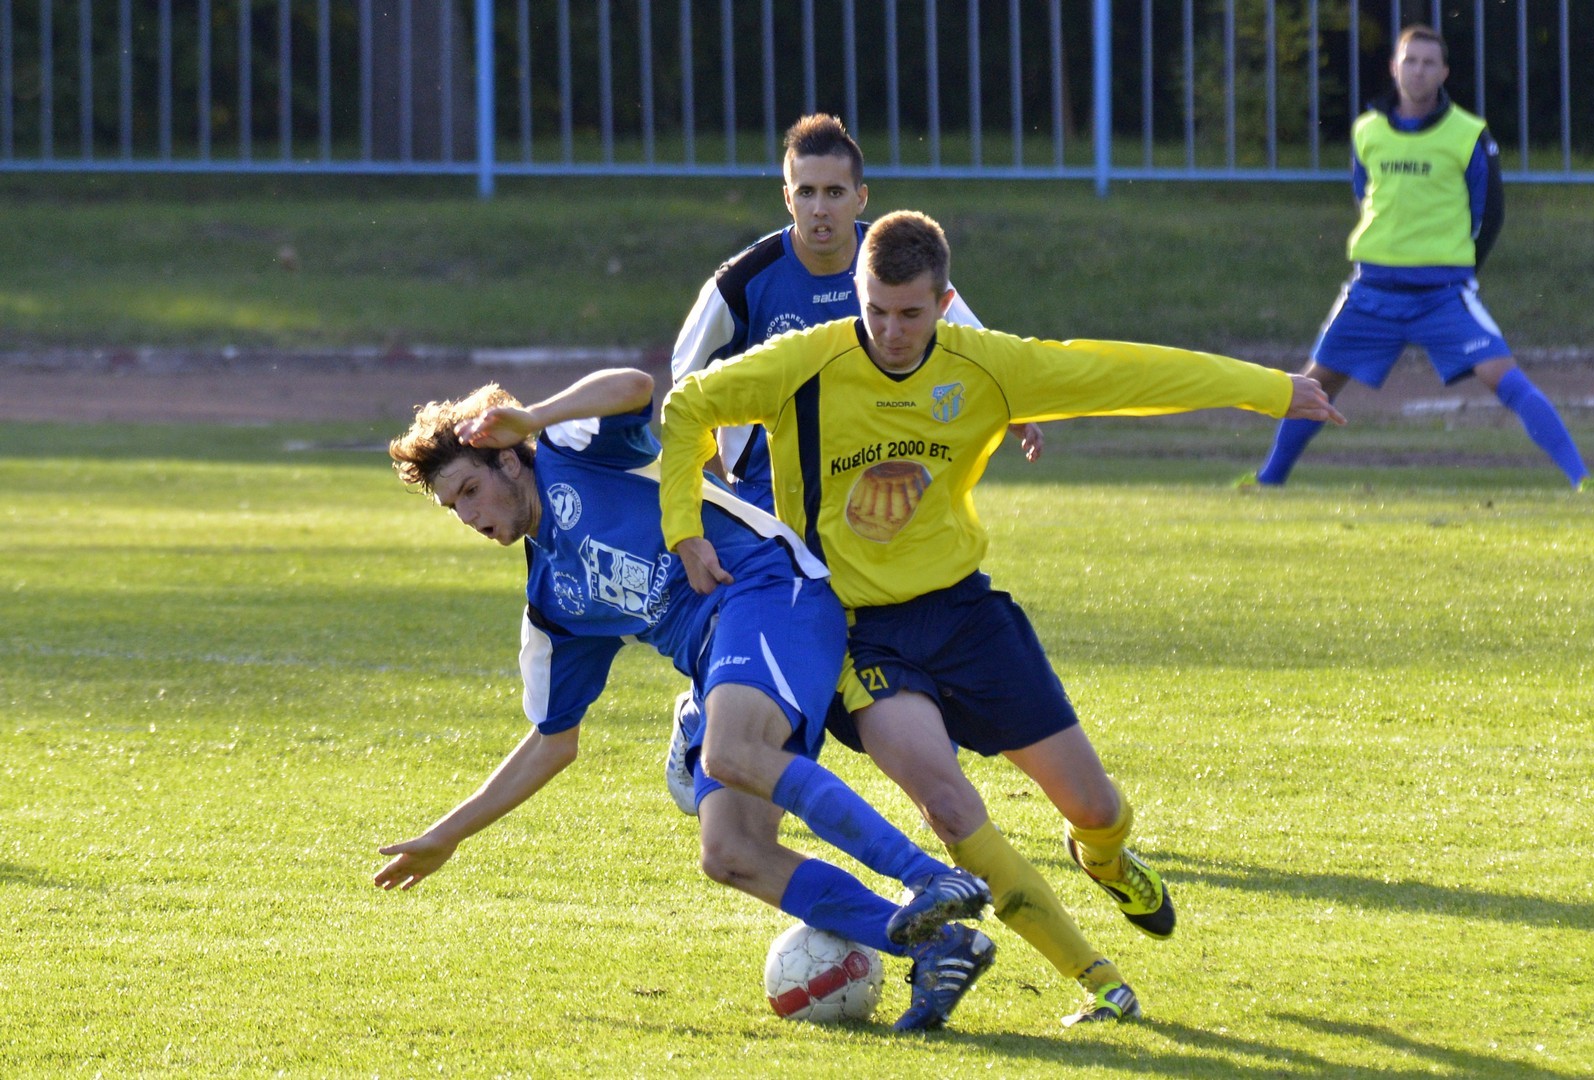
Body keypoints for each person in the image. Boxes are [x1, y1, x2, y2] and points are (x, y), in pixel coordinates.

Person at [659, 210, 1345, 1025]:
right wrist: (685, 527)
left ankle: (1105, 857)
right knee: (949, 808)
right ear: (858, 294)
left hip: (963, 615)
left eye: (910, 314)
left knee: (1094, 807)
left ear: (943, 302)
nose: (890, 332)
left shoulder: (987, 366)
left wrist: (1272, 391)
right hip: (856, 632)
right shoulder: (806, 361)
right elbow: (686, 406)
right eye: (875, 310)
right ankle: (1098, 981)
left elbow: (1121, 374)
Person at [373, 368, 996, 1033]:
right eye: (454, 507)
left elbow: (635, 386)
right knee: (730, 853)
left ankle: (929, 880)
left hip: (768, 588)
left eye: (471, 490)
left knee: (729, 752)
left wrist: (533, 418)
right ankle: (938, 945)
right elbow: (552, 742)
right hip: (722, 662)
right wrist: (448, 835)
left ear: (507, 461)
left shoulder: (571, 451)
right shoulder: (554, 601)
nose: (470, 516)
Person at [662, 111, 1041, 814]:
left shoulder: (891, 265)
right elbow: (686, 382)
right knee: (781, 615)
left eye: (834, 192)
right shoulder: (745, 283)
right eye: (805, 192)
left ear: (861, 197)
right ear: (786, 197)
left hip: (874, 479)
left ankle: (924, 734)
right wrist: (707, 466)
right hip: (773, 492)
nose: (820, 209)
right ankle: (705, 708)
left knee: (904, 607)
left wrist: (1018, 410)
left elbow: (973, 346)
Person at [1248, 24, 1590, 490]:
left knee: (1503, 376)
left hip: (1441, 293)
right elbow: (1364, 195)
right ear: (1394, 67)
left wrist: (1457, 268)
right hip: (1373, 290)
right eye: (1410, 60)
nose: (1419, 70)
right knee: (1312, 386)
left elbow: (1490, 214)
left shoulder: (1468, 133)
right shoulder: (1368, 130)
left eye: (1429, 63)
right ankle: (1268, 484)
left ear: (1444, 72)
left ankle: (1583, 481)